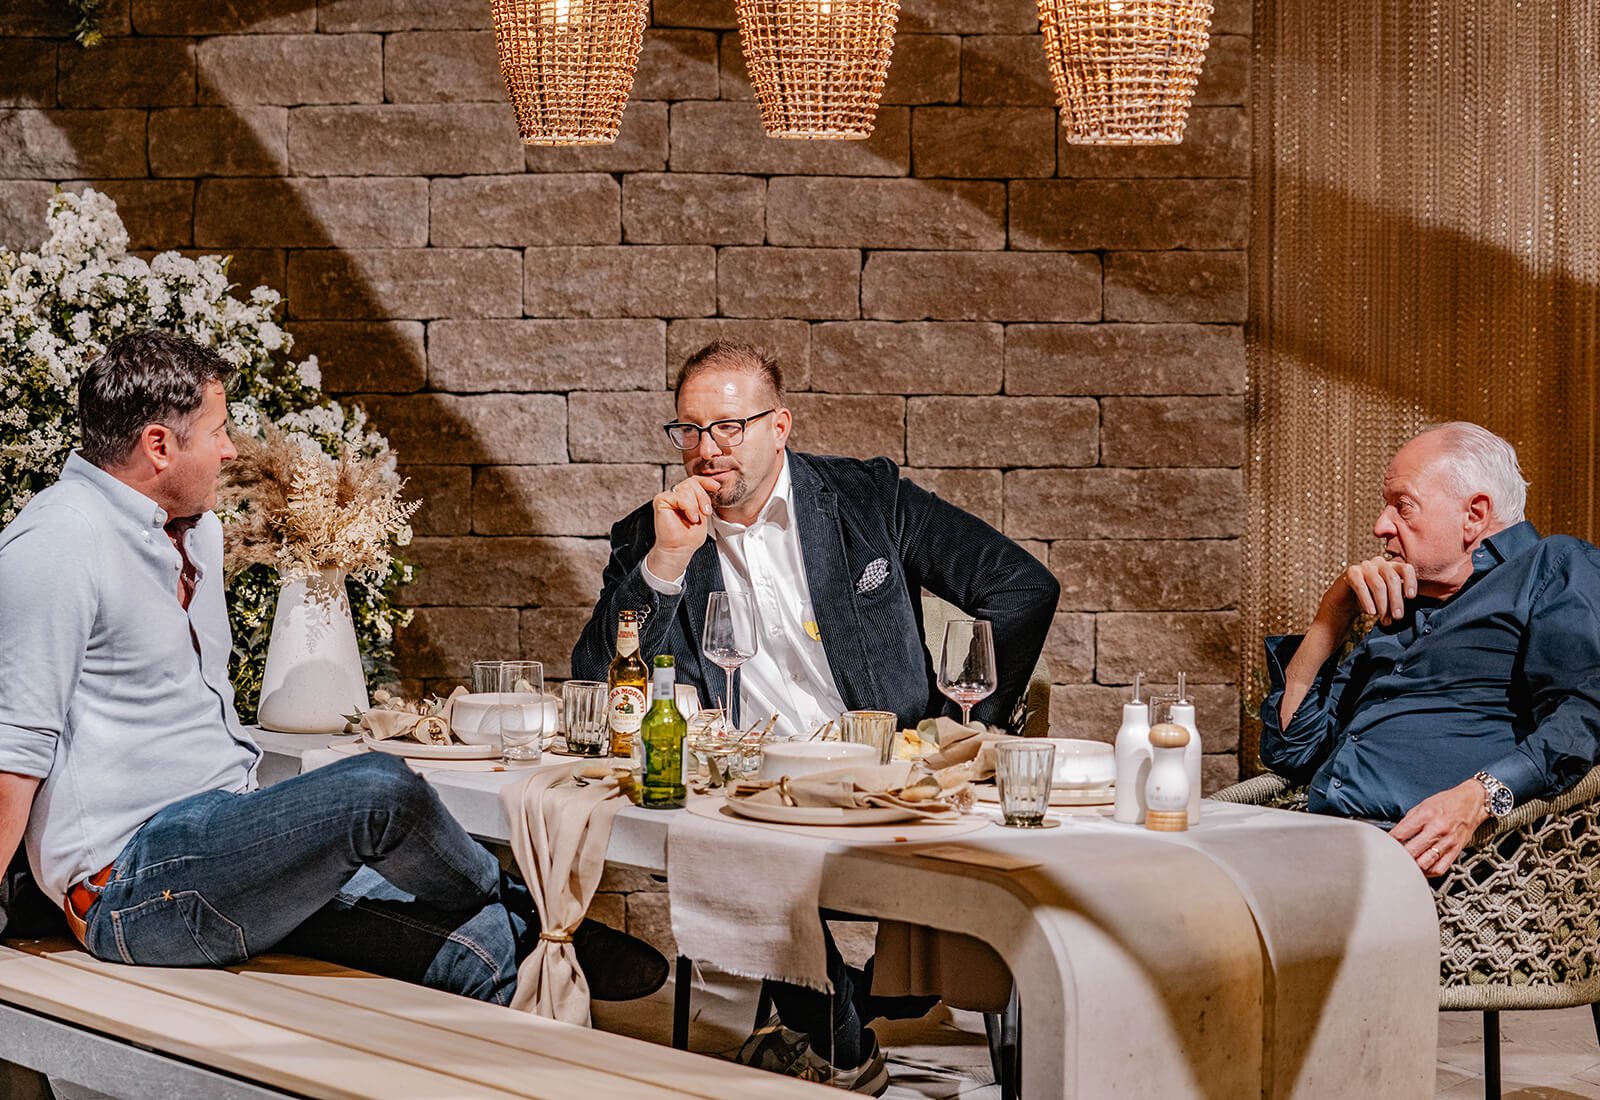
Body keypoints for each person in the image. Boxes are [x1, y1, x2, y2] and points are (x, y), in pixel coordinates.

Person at [0, 329, 665, 1007]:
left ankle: (517, 941)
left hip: (233, 841)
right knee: (380, 789)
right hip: (134, 884)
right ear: (159, 446)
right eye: (218, 432)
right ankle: (539, 910)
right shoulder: (59, 541)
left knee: (486, 946)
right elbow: (11, 754)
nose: (230, 450)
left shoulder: (197, 530)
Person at [572, 339, 1059, 1093]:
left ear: (779, 427)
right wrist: (666, 566)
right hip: (749, 779)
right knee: (727, 828)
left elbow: (1022, 587)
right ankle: (839, 1043)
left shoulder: (868, 500)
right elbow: (597, 677)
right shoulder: (651, 532)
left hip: (883, 770)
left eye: (728, 427)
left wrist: (954, 730)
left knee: (746, 838)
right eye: (689, 429)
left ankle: (836, 1020)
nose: (706, 449)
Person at [1260, 422, 1600, 875]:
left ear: (1474, 515)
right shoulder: (1402, 606)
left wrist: (1478, 797)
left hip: (1438, 865)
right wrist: (1333, 614)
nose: (1381, 526)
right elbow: (1292, 751)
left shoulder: (1551, 568)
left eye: (1403, 506)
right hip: (1322, 844)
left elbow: (1584, 714)